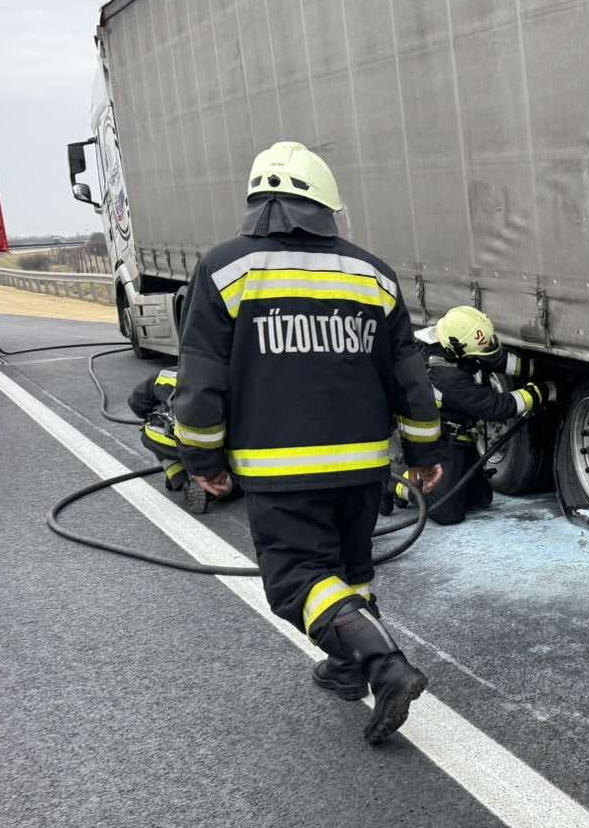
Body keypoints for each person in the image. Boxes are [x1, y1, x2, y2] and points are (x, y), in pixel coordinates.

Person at [172, 141, 444, 745]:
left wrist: (202, 461)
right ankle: (348, 668)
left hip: (279, 468)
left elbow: (201, 380)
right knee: (350, 570)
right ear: (327, 204)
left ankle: (385, 667)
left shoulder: (224, 269)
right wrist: (425, 454)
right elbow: (409, 377)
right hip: (363, 467)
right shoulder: (373, 273)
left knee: (297, 578)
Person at [385, 305, 556, 524]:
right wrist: (543, 391)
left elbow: (496, 359)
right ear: (458, 349)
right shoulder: (445, 377)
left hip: (459, 437)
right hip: (440, 444)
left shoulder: (451, 342)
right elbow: (497, 407)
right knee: (448, 513)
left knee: (481, 499)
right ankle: (399, 482)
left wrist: (539, 368)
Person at [127, 366, 215, 513]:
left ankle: (178, 478)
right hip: (215, 446)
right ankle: (217, 486)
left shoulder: (166, 375)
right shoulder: (225, 378)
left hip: (170, 440)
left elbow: (136, 402)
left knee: (151, 427)